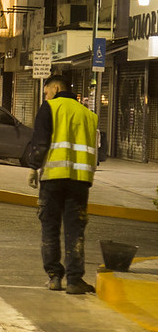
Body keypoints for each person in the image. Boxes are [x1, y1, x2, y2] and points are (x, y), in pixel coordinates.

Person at [27, 74, 98, 295]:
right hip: (80, 181)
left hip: (53, 178)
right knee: (75, 230)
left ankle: (55, 277)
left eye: (46, 91)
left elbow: (41, 142)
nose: (45, 96)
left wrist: (33, 166)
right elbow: (96, 152)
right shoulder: (88, 114)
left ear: (56, 88)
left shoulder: (50, 108)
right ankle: (75, 280)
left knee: (50, 227)